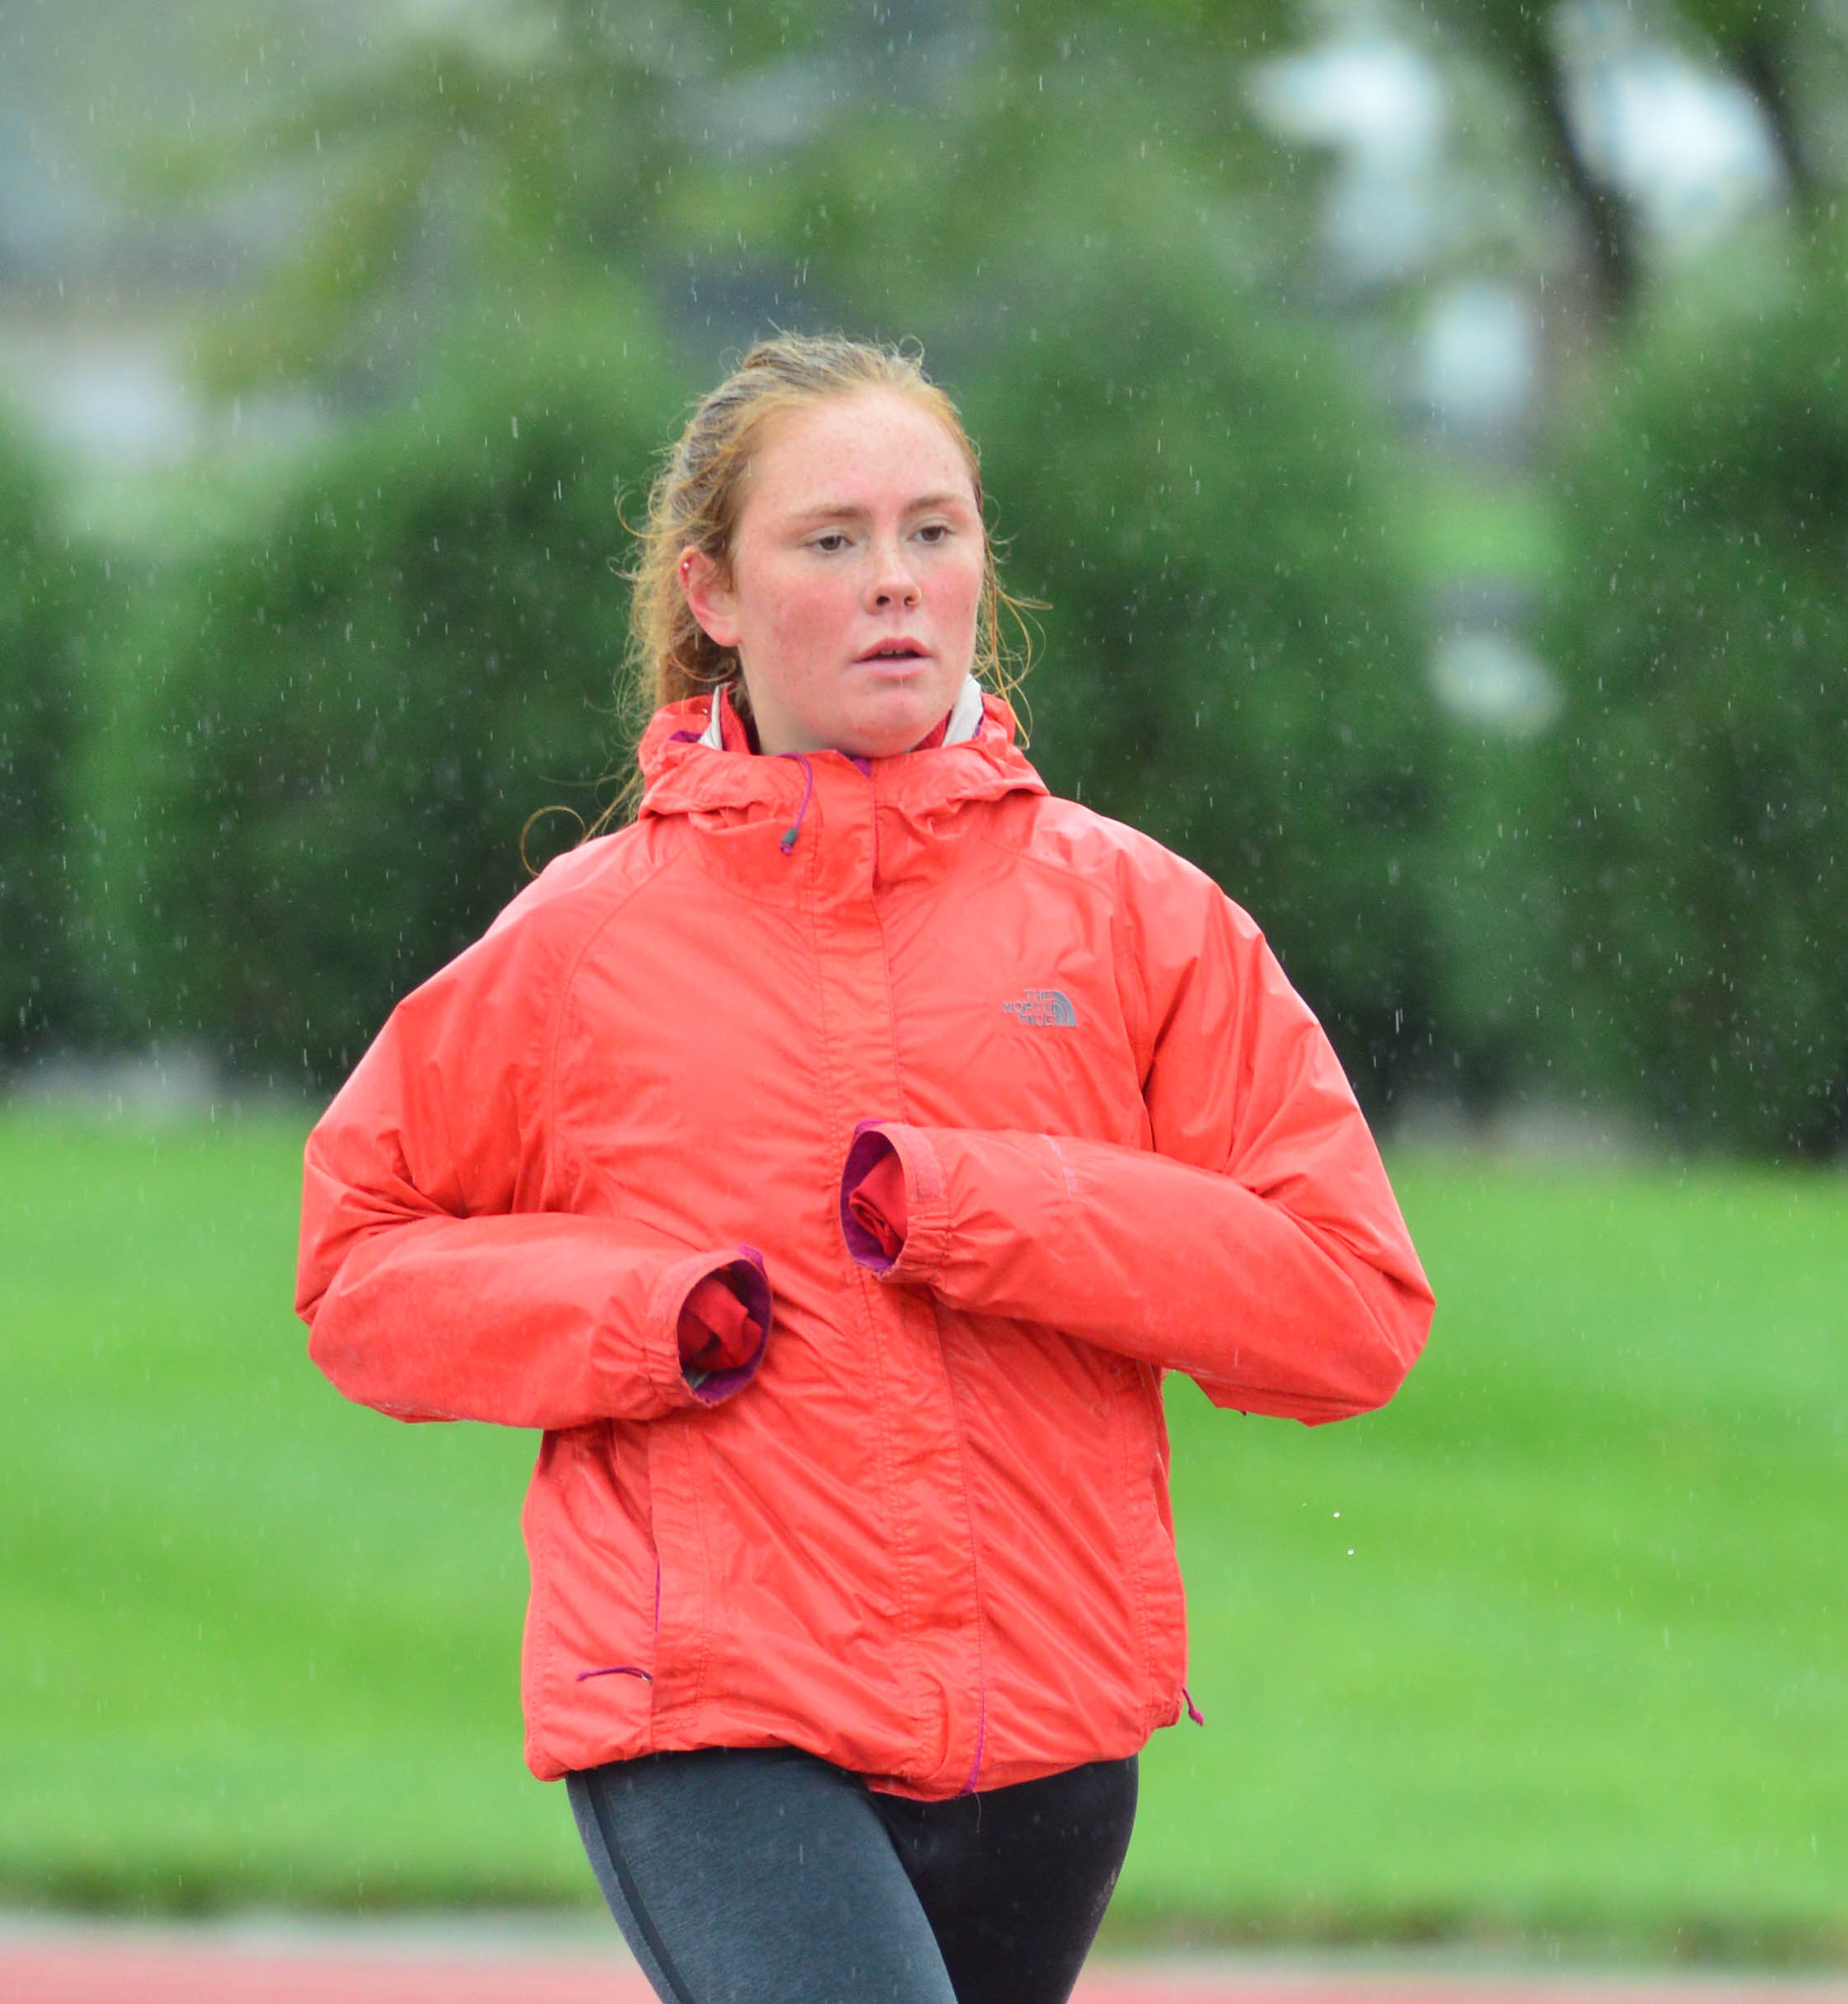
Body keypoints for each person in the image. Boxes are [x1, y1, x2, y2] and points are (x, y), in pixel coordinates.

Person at [294, 335, 1436, 2004]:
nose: (894, 584)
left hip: (1050, 1732)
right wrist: (649, 1313)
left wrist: (983, 1208)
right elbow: (359, 1270)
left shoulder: (1141, 917)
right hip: (714, 1712)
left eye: (932, 532)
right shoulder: (580, 943)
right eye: (829, 543)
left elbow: (1351, 1311)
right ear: (717, 597)